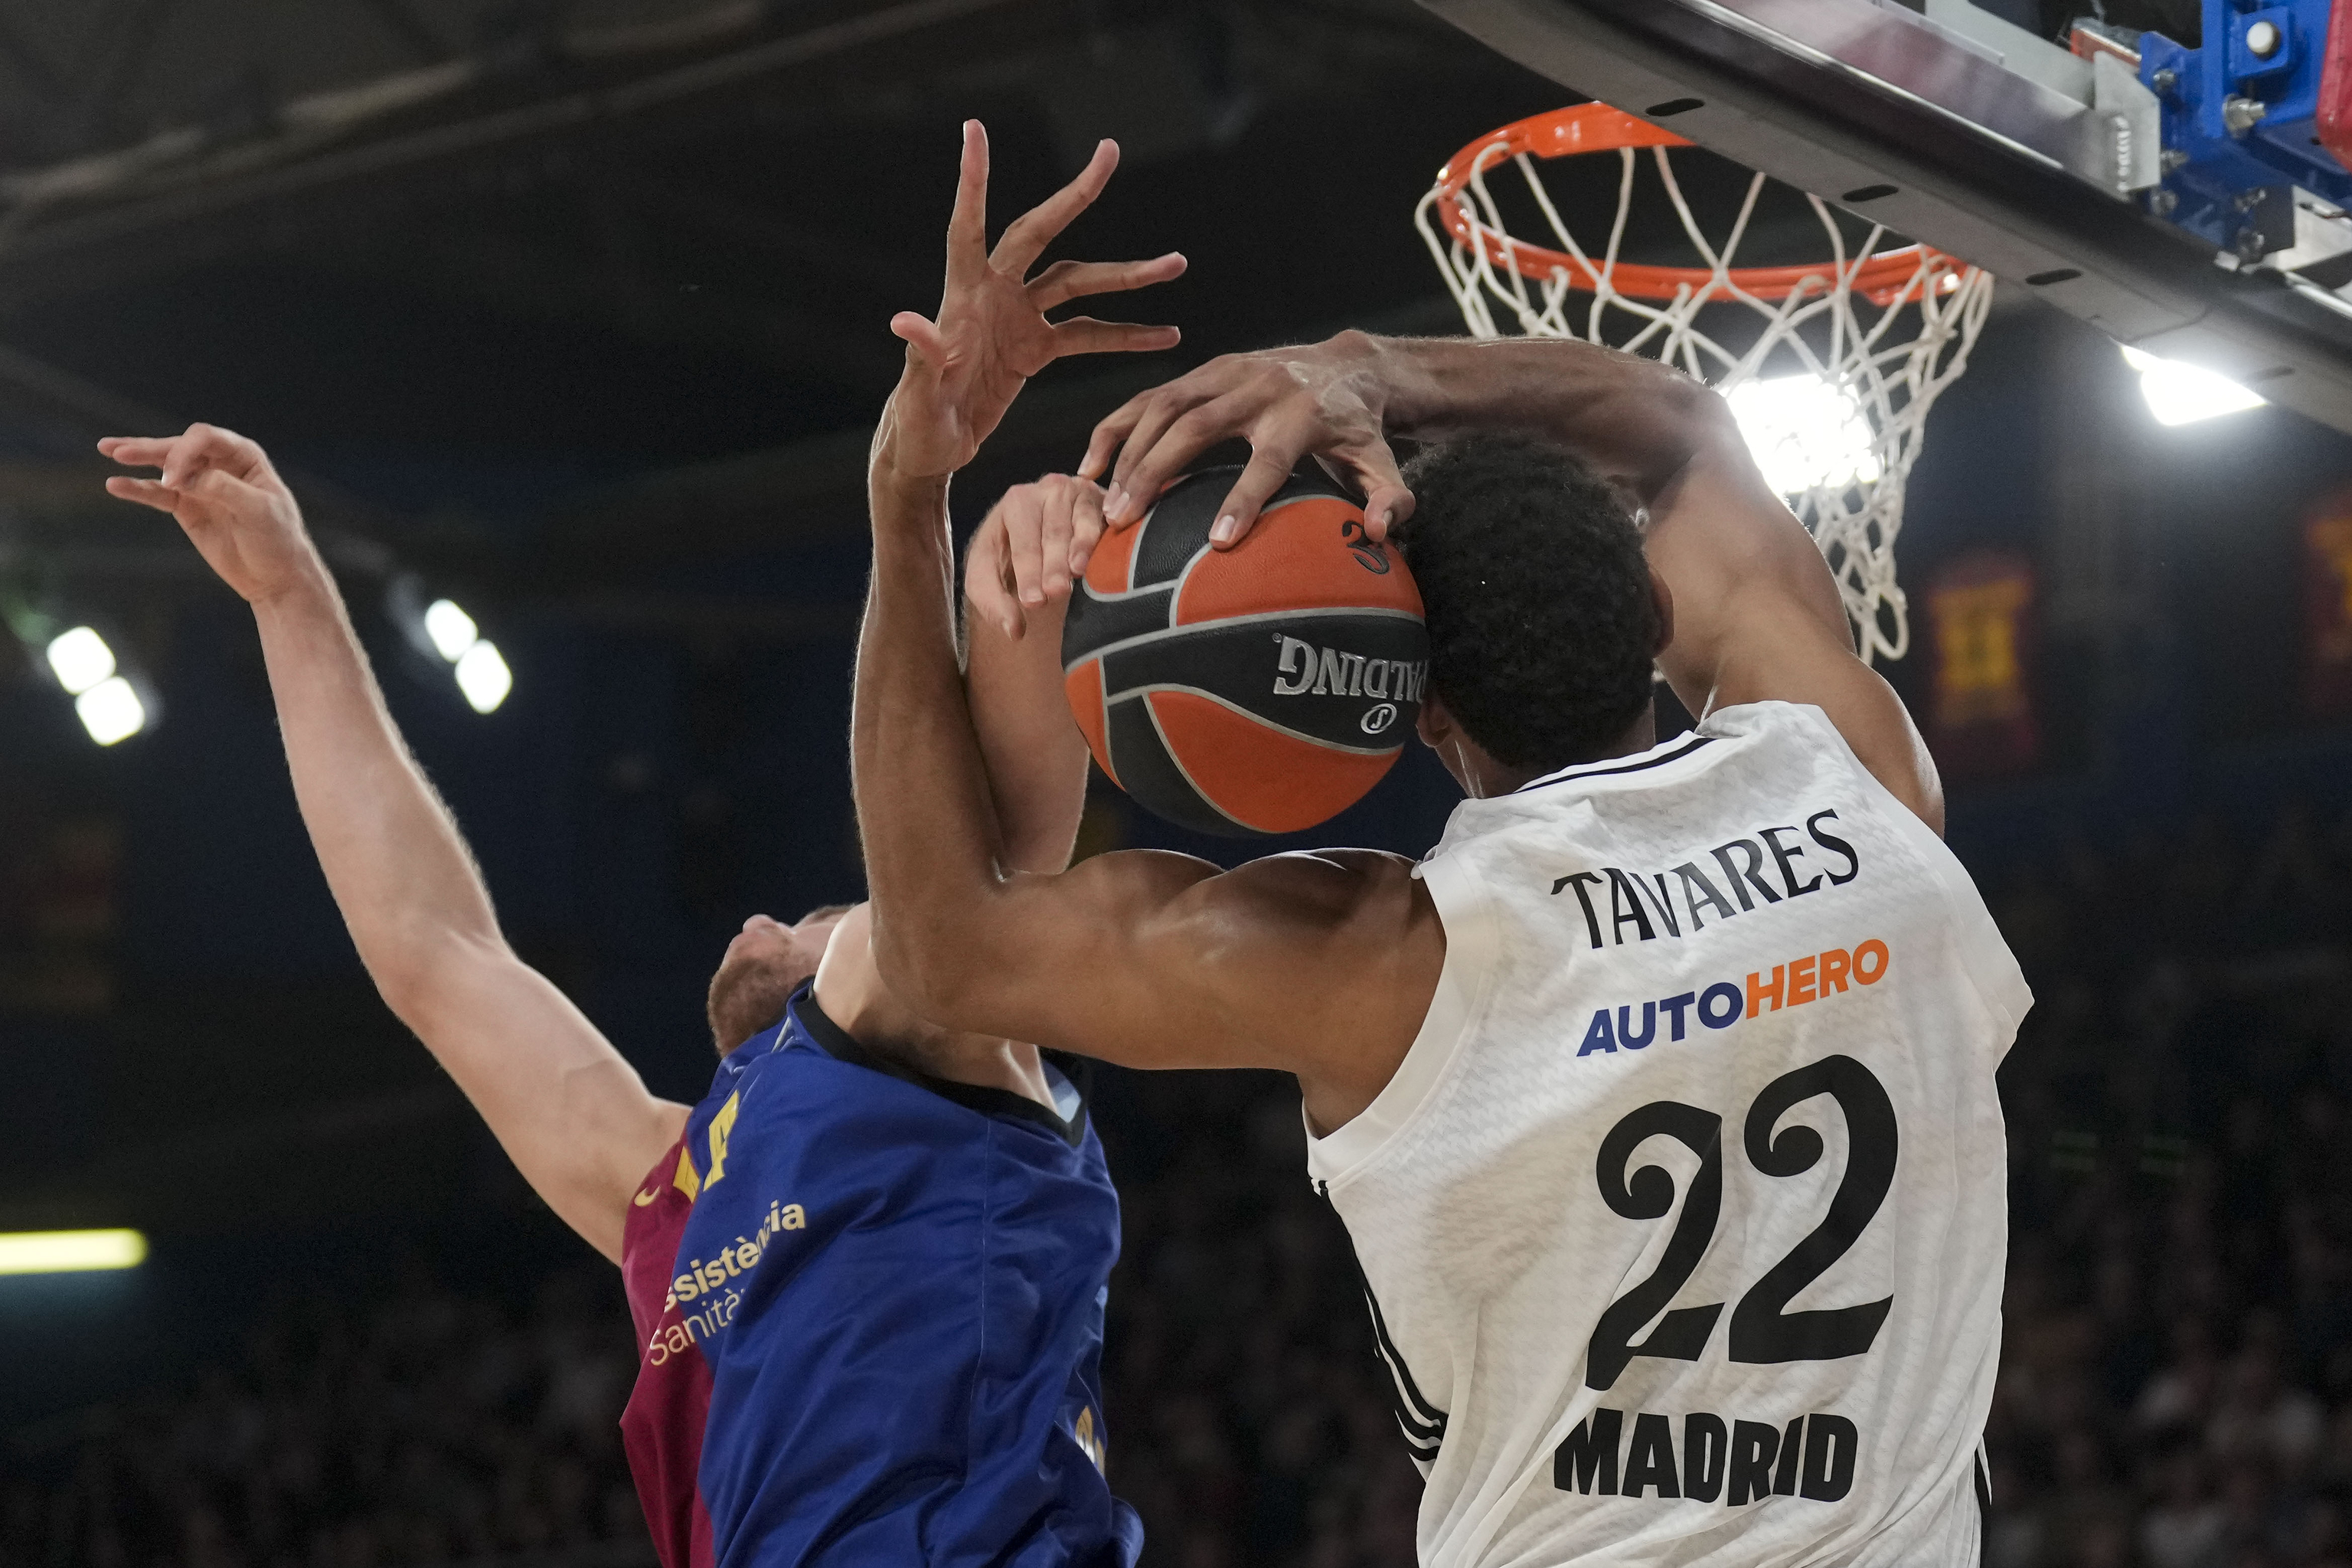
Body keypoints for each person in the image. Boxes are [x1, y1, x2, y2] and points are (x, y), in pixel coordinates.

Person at [856, 119, 2030, 1566]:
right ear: (1656, 624)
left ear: (1413, 716)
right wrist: (1363, 370)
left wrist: (910, 496)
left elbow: (945, 947)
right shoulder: (1864, 790)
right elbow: (1690, 431)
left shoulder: (1392, 960)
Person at [100, 158, 1181, 1565]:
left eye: (811, 913)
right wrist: (291, 591)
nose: (761, 917)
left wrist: (975, 550)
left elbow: (976, 879)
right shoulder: (678, 1186)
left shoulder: (924, 1032)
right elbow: (436, 956)